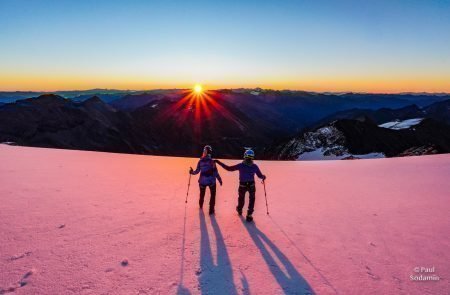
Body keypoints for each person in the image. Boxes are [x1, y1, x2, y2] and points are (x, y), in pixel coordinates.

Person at [215, 149, 266, 222]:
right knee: (252, 199)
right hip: (251, 185)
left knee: (241, 198)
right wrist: (263, 177)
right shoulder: (255, 166)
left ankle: (239, 209)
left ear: (245, 156)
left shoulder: (241, 165)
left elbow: (229, 168)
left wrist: (218, 162)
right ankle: (249, 214)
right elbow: (260, 175)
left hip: (242, 185)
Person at [190, 145, 222, 215]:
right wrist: (219, 179)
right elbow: (215, 172)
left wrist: (192, 172)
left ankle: (200, 205)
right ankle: (211, 209)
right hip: (211, 182)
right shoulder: (212, 162)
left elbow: (197, 171)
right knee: (213, 195)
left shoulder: (200, 161)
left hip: (202, 181)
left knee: (202, 194)